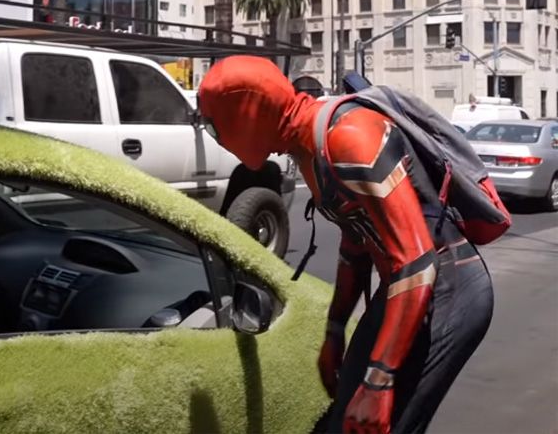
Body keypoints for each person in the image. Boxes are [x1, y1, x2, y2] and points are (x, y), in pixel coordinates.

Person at [197, 56, 498, 434]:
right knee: (344, 419)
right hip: (404, 292)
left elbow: (418, 263)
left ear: (247, 113)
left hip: (448, 291)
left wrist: (379, 380)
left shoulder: (351, 136)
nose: (218, 137)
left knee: (376, 423)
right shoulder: (307, 148)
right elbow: (356, 244)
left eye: (216, 126)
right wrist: (334, 330)